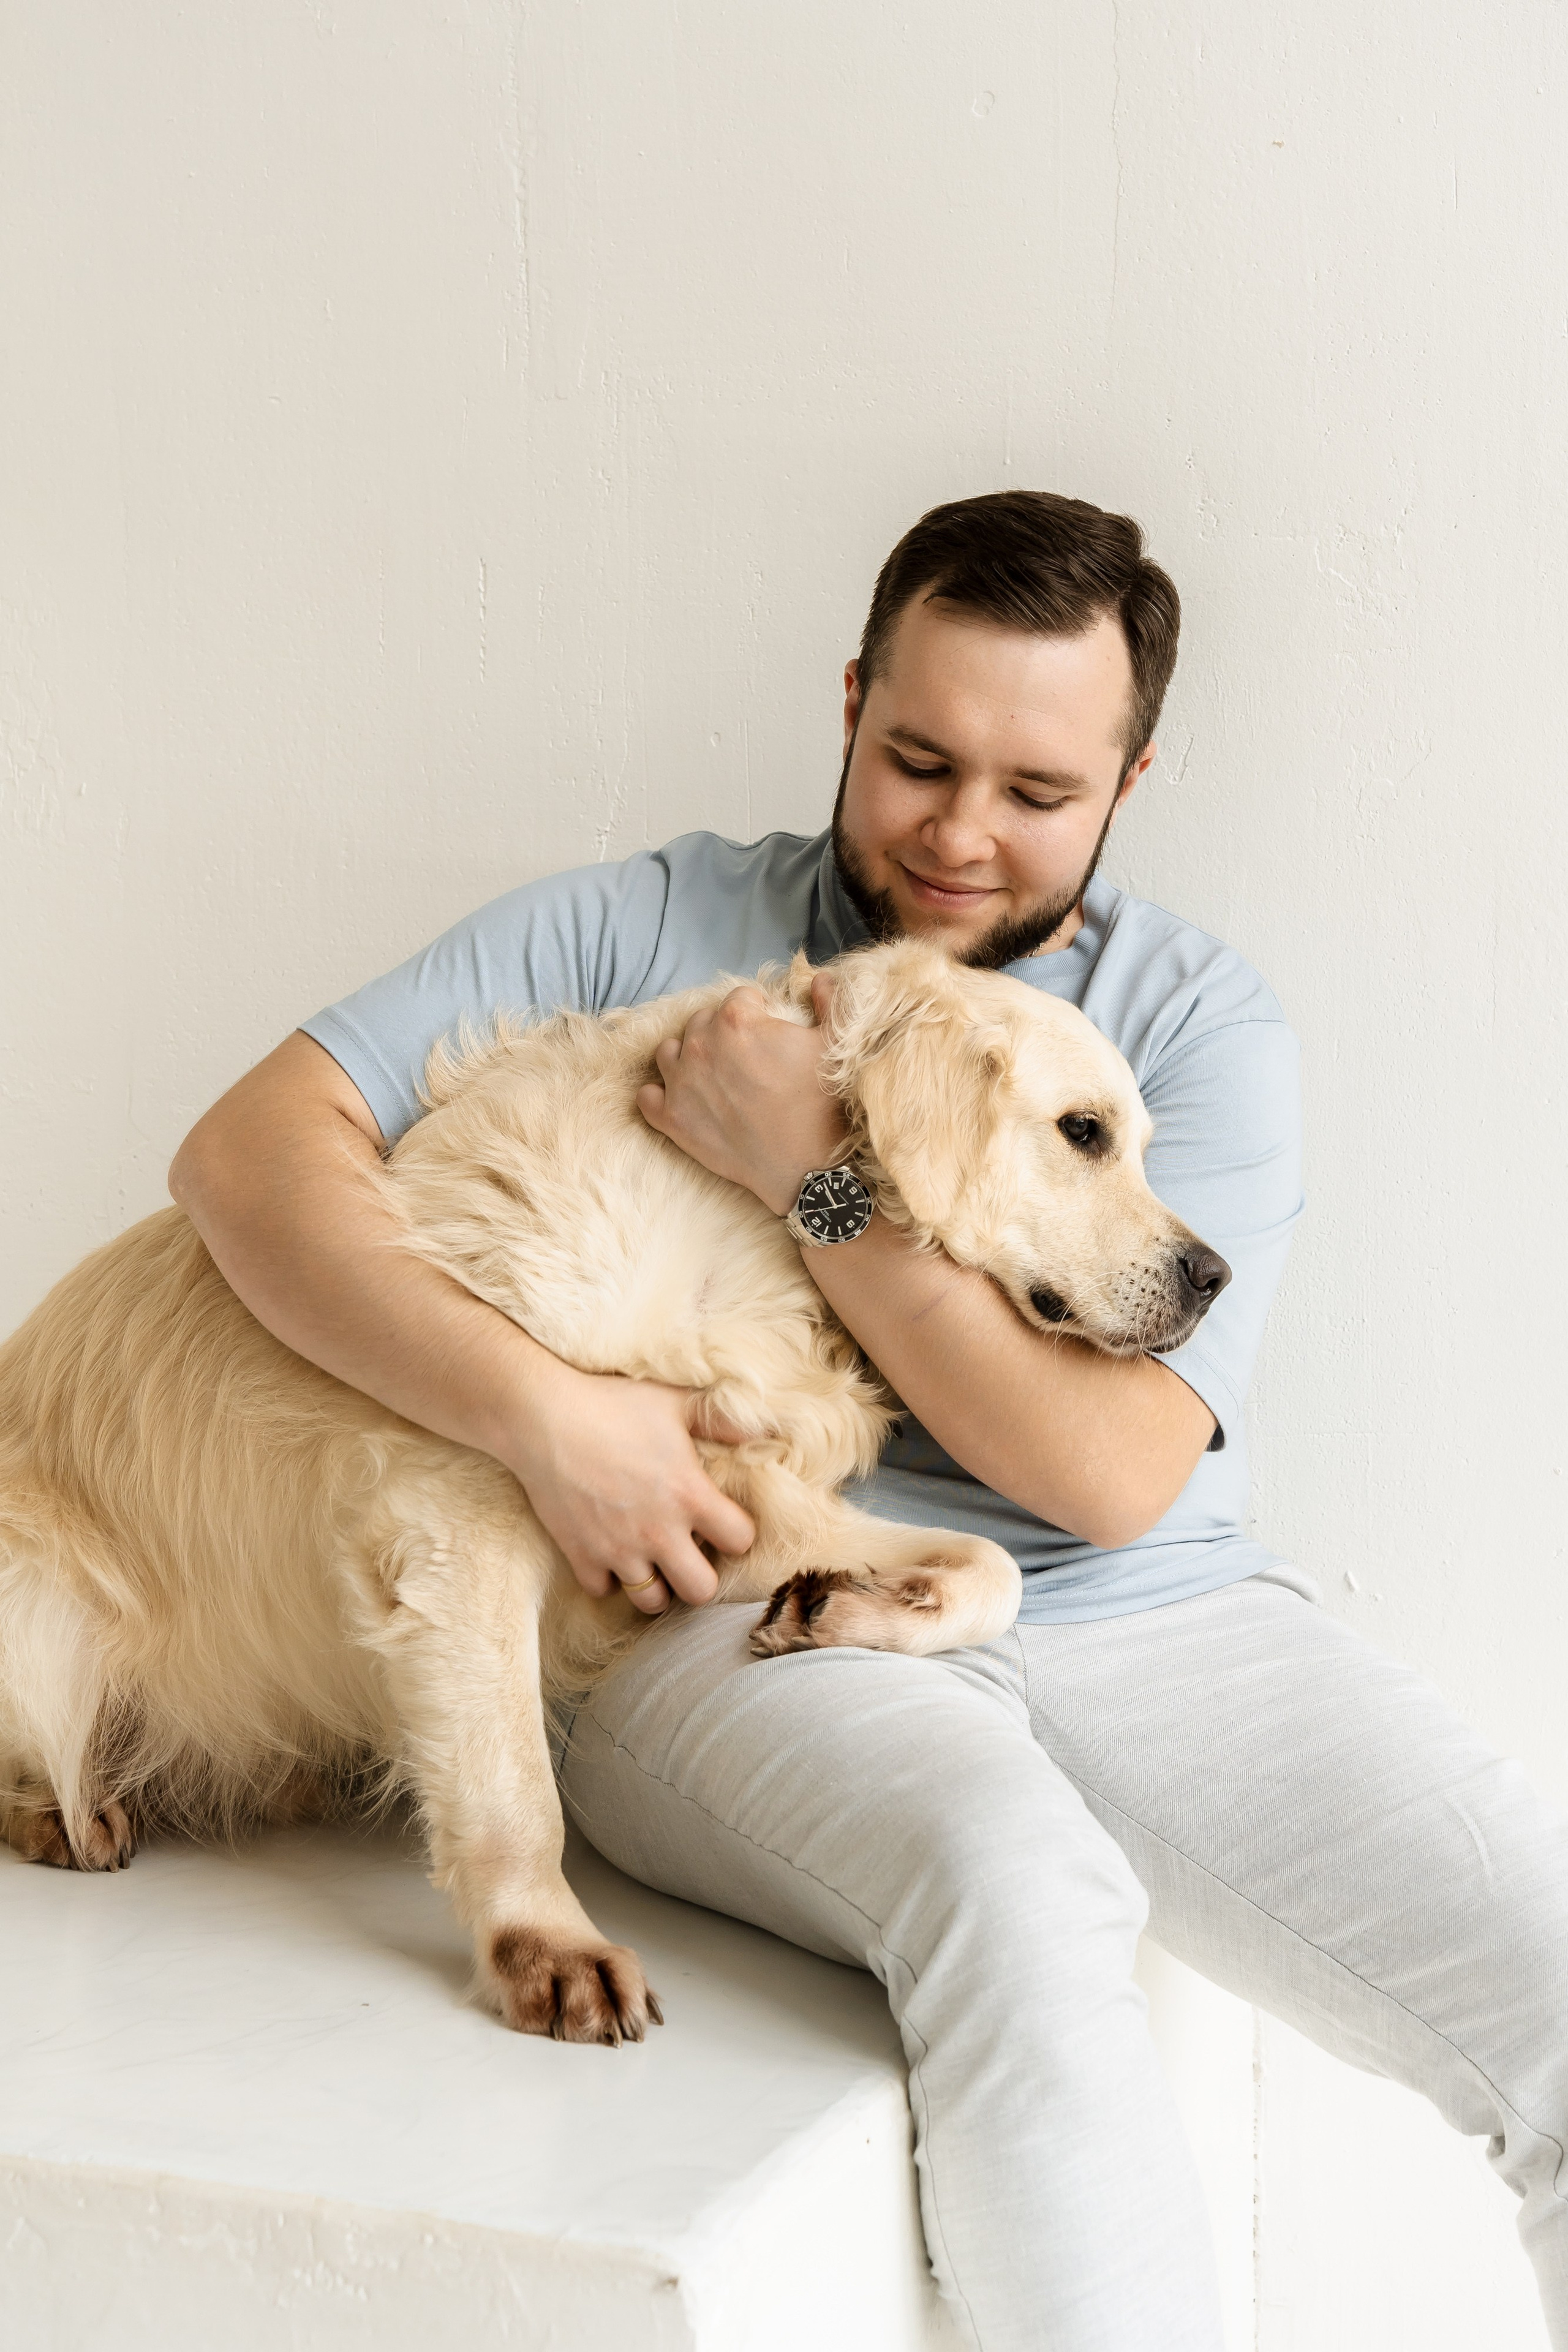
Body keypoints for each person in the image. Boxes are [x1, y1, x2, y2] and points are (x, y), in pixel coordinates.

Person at [171, 492, 1568, 2352]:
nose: (962, 835)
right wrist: (545, 1421)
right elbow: (245, 1159)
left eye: (1038, 792)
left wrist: (813, 1169)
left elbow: (1108, 1469)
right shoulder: (654, 925)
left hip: (1145, 1621)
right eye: (918, 759)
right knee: (1021, 1892)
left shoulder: (1192, 1026)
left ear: (1132, 779)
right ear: (848, 702)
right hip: (731, 1618)